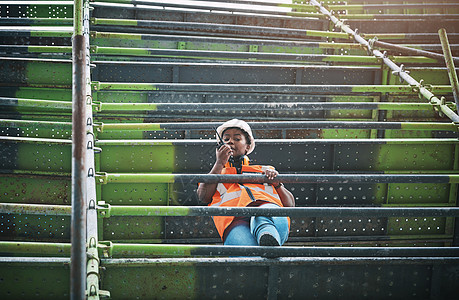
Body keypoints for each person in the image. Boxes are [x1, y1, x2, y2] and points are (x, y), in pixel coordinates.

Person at [197, 119, 295, 246]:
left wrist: (277, 183)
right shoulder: (215, 175)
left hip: (271, 217)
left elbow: (290, 205)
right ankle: (267, 249)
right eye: (226, 139)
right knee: (244, 252)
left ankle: (266, 234)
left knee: (262, 217)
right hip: (234, 221)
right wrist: (219, 163)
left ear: (247, 146)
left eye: (237, 139)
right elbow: (203, 197)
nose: (230, 141)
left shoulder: (265, 171)